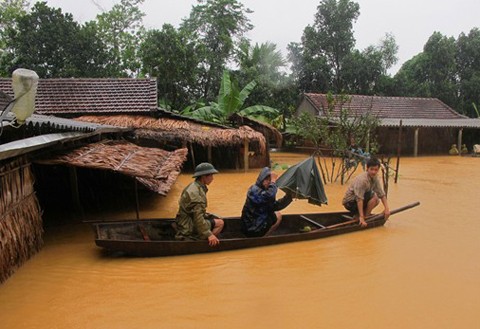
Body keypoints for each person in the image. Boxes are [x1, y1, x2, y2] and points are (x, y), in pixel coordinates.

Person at [175, 162, 224, 246]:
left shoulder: (194, 186)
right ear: (204, 176)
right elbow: (198, 218)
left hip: (184, 221)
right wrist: (209, 234)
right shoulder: (196, 193)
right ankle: (205, 241)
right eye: (211, 175)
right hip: (187, 226)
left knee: (216, 217)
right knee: (220, 223)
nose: (212, 178)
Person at [241, 167, 293, 237]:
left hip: (256, 225)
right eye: (266, 180)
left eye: (270, 180)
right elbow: (269, 196)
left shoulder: (265, 192)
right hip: (251, 228)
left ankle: (265, 237)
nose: (268, 182)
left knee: (278, 215)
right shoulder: (254, 190)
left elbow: (275, 206)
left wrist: (288, 197)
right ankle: (263, 238)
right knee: (276, 216)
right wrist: (273, 181)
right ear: (261, 179)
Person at [342, 157, 390, 227]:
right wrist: (361, 217)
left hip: (359, 200)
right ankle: (363, 217)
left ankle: (364, 216)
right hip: (350, 203)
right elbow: (359, 199)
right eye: (371, 169)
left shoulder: (375, 178)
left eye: (376, 170)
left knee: (376, 198)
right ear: (367, 169)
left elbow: (381, 194)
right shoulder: (362, 180)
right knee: (375, 198)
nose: (373, 172)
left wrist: (387, 209)